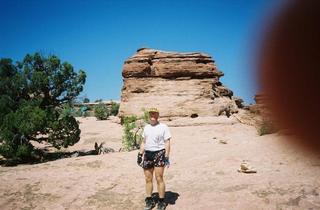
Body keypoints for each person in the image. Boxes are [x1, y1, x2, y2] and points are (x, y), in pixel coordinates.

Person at [137, 108, 172, 210]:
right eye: (151, 113)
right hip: (148, 154)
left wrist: (167, 156)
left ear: (158, 115)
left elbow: (167, 142)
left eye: (155, 113)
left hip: (159, 153)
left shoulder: (163, 127)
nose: (153, 115)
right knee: (148, 179)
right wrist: (140, 154)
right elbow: (144, 142)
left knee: (159, 178)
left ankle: (161, 201)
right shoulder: (146, 127)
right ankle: (149, 200)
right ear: (149, 115)